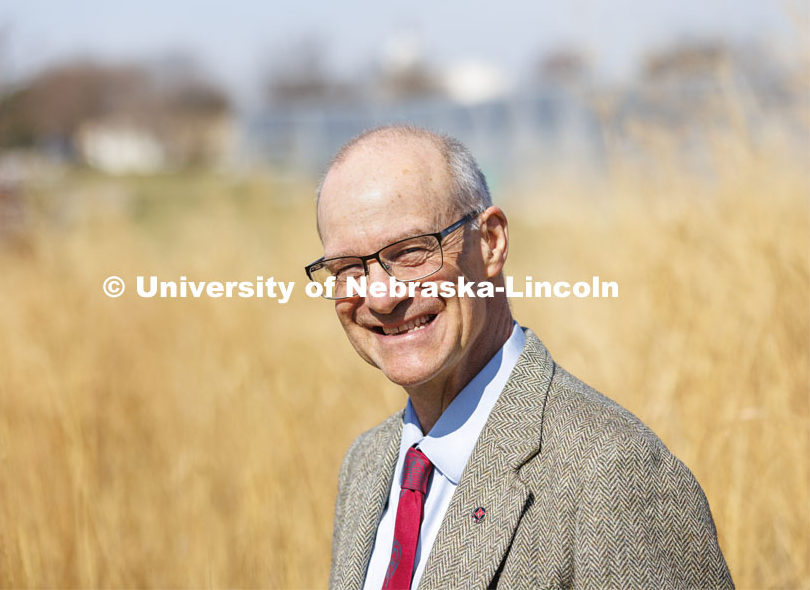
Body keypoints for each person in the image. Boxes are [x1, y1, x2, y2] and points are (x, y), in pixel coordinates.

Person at [306, 125, 733, 589]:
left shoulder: (613, 472)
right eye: (347, 268)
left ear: (491, 242)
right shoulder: (368, 466)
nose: (382, 297)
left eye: (410, 251)